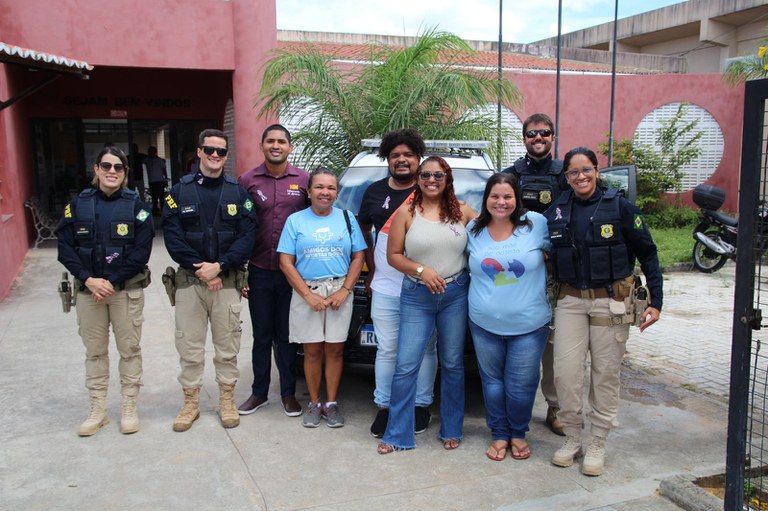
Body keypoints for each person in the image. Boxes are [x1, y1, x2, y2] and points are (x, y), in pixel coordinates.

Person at [545, 146, 662, 476]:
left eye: (586, 170)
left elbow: (648, 254)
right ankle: (572, 436)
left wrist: (656, 303)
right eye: (573, 172)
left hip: (610, 300)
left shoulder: (621, 207)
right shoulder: (557, 210)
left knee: (605, 373)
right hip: (570, 301)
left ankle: (597, 441)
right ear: (565, 177)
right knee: (566, 374)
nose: (580, 176)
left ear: (597, 171)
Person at [377, 156, 476, 454]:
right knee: (407, 365)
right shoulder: (406, 211)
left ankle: (452, 428)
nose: (431, 179)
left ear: (448, 178)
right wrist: (422, 270)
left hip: (455, 293)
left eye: (438, 174)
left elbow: (494, 232)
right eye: (425, 175)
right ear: (418, 178)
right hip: (417, 296)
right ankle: (397, 434)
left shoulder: (463, 211)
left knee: (453, 363)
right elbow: (393, 255)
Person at [56, 146, 154, 436]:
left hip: (124, 291)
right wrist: (88, 279)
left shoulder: (137, 207)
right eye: (106, 166)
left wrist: (109, 281)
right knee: (95, 353)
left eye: (119, 168)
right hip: (90, 293)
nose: (112, 172)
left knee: (129, 351)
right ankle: (98, 409)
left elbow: (141, 251)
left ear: (125, 173)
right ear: (96, 169)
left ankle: (128, 407)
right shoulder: (77, 205)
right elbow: (65, 247)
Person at [163, 128, 257, 432]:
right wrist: (202, 268)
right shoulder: (179, 192)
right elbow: (173, 237)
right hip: (191, 283)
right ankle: (190, 402)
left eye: (221, 151)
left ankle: (226, 400)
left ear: (226, 156)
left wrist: (220, 266)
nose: (215, 156)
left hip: (227, 282)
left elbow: (247, 235)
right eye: (209, 150)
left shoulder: (238, 191)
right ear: (199, 152)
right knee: (189, 347)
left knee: (227, 347)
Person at [358, 128, 437, 438]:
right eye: (395, 156)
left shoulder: (432, 190)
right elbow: (363, 229)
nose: (402, 160)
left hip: (424, 285)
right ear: (387, 160)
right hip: (387, 286)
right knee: (388, 350)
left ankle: (420, 405)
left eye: (408, 155)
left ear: (418, 159)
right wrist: (372, 267)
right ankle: (385, 406)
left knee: (426, 350)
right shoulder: (374, 192)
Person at [466, 173, 551, 461]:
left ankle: (518, 432)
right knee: (492, 382)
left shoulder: (537, 225)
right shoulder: (472, 231)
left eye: (507, 196)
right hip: (483, 323)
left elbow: (560, 254)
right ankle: (499, 433)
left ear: (517, 199)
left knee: (522, 384)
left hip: (529, 324)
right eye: (495, 196)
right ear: (486, 199)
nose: (501, 202)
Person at [277, 168, 366, 428]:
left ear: (337, 193)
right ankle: (314, 403)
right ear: (309, 191)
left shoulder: (347, 218)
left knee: (335, 350)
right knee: (312, 351)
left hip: (339, 291)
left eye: (330, 188)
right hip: (307, 292)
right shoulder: (296, 221)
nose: (325, 192)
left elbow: (358, 256)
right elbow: (285, 261)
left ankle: (332, 403)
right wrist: (307, 295)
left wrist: (345, 290)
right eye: (319, 187)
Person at [503, 112, 569, 437]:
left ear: (553, 137)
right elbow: (496, 219)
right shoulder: (510, 176)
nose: (538, 138)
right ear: (524, 138)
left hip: (556, 274)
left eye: (544, 133)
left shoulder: (565, 175)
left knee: (554, 346)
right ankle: (515, 411)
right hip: (517, 274)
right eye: (532, 134)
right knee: (519, 341)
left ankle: (555, 408)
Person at [237, 124, 309, 418]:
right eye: (270, 141)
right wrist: (241, 270)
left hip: (293, 274)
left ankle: (289, 393)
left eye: (281, 141)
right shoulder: (247, 180)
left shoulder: (305, 180)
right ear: (262, 145)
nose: (276, 145)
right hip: (259, 270)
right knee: (262, 336)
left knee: (287, 336)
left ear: (290, 147)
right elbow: (239, 226)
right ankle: (259, 392)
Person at [145, 146, 167, 216]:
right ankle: (155, 211)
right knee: (154, 198)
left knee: (161, 197)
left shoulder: (159, 160)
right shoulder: (147, 160)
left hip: (160, 180)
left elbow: (164, 170)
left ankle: (163, 211)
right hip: (152, 181)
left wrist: (165, 179)